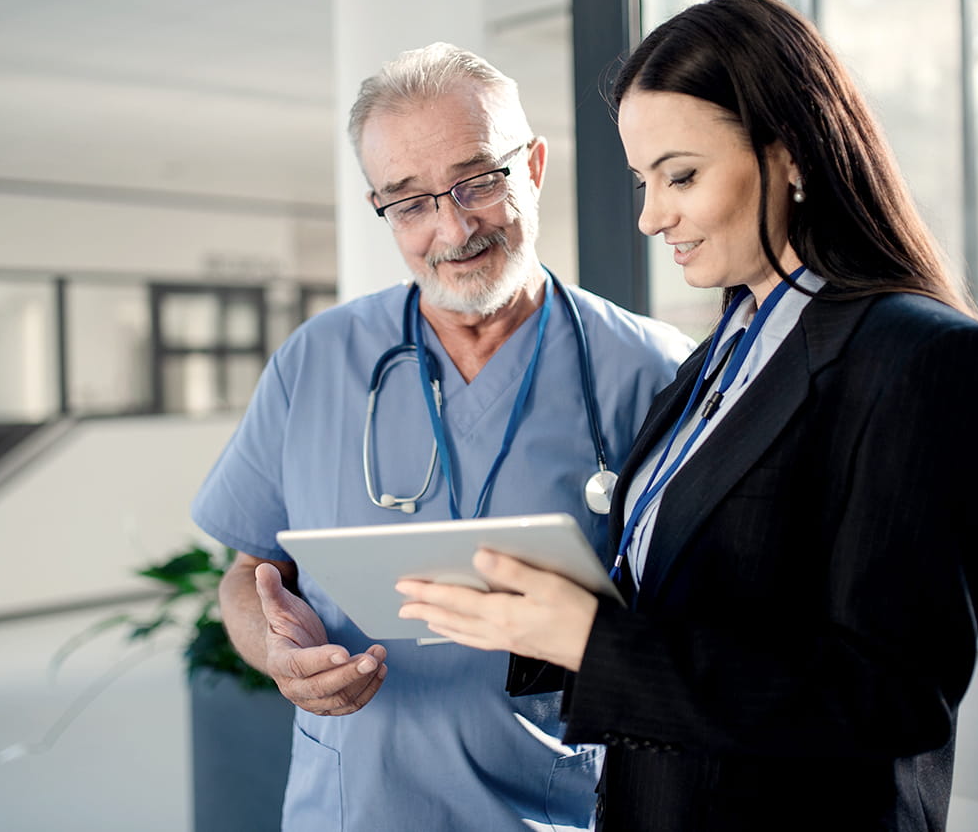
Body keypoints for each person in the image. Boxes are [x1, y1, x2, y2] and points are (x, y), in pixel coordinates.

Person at [397, 0, 978, 831]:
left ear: (792, 155)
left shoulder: (928, 361)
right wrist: (543, 611)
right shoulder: (719, 357)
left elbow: (888, 698)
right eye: (643, 181)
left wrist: (595, 642)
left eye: (681, 176)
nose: (649, 216)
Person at [191, 42, 692, 830]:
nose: (452, 227)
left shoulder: (651, 369)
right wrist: (278, 652)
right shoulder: (315, 361)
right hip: (351, 808)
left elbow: (702, 625)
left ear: (533, 166)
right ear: (381, 209)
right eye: (410, 203)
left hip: (557, 806)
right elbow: (250, 570)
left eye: (478, 181)